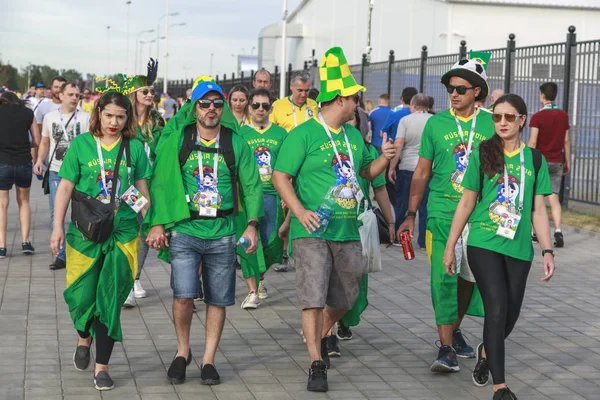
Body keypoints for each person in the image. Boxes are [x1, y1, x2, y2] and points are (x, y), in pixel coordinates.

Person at [272, 47, 396, 392]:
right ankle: (315, 361)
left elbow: (364, 173)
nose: (358, 103)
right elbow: (280, 176)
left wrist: (384, 160)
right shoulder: (304, 134)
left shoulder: (354, 136)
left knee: (346, 298)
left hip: (348, 228)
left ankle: (321, 332)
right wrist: (299, 212)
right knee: (312, 295)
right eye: (354, 98)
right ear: (339, 99)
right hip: (311, 230)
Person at [146, 79, 263, 386]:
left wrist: (252, 224)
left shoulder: (235, 142)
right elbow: (161, 181)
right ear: (193, 108)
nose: (212, 109)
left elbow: (251, 186)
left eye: (217, 104)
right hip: (186, 230)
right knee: (184, 296)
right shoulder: (180, 139)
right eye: (205, 104)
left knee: (218, 298)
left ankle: (209, 359)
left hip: (223, 231)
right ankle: (183, 352)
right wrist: (158, 222)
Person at [442, 94, 555, 400]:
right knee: (496, 307)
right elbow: (467, 202)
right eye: (496, 117)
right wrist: (451, 245)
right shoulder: (483, 153)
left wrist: (547, 250)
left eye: (508, 117)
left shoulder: (534, 159)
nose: (502, 122)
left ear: (522, 120)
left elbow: (538, 210)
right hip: (484, 240)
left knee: (510, 314)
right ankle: (499, 387)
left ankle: (485, 351)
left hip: (518, 247)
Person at [50, 82, 152, 391]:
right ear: (99, 113)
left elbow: (139, 191)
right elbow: (66, 187)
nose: (114, 123)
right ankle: (84, 337)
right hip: (85, 234)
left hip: (122, 234)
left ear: (127, 118)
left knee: (110, 299)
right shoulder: (81, 144)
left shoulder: (134, 147)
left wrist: (152, 225)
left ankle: (102, 366)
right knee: (81, 297)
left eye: (121, 117)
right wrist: (56, 226)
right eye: (109, 115)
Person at [398, 55, 495, 373]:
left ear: (477, 91)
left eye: (461, 88)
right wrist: (411, 213)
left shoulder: (492, 124)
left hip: (479, 217)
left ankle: (453, 329)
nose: (453, 94)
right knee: (443, 277)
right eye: (450, 88)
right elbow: (422, 173)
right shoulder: (435, 125)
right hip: (441, 213)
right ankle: (445, 348)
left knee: (468, 278)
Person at [328, 98, 395, 351]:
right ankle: (328, 334)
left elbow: (379, 189)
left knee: (354, 279)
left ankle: (342, 320)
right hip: (330, 223)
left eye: (354, 118)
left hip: (360, 225)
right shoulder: (325, 145)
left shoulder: (366, 151)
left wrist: (390, 221)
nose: (350, 121)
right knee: (329, 278)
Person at [239, 88, 287, 309]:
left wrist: (288, 195)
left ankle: (261, 277)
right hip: (247, 197)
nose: (260, 109)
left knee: (269, 243)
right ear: (249, 107)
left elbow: (288, 167)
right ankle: (252, 290)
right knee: (248, 244)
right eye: (256, 105)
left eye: (265, 106)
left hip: (272, 196)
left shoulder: (280, 134)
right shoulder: (241, 134)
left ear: (271, 108)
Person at [34, 83, 91, 270]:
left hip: (81, 173)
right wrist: (39, 161)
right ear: (61, 95)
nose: (75, 98)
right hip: (57, 171)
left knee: (82, 212)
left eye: (77, 95)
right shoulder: (50, 117)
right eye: (71, 94)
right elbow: (44, 142)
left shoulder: (85, 118)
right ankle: (61, 255)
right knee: (56, 213)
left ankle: (82, 251)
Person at [123, 60, 164, 307]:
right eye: (145, 91)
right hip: (128, 186)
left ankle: (135, 277)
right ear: (134, 95)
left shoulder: (158, 119)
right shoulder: (125, 120)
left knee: (145, 229)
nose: (150, 94)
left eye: (152, 91)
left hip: (152, 183)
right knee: (132, 230)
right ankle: (127, 282)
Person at [528, 82, 570, 248]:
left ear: (542, 95)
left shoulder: (537, 117)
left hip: (541, 161)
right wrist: (568, 161)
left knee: (537, 198)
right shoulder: (563, 116)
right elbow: (566, 140)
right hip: (557, 161)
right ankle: (558, 230)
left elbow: (532, 141)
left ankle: (535, 232)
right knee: (554, 198)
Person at [0, 92, 40, 258]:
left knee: (2, 204)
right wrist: (24, 145)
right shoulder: (28, 113)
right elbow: (36, 141)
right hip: (23, 161)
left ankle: (1, 246)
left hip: (3, 162)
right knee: (24, 202)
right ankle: (26, 242)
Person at [388, 93, 431, 248]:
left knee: (403, 203)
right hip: (427, 169)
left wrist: (392, 167)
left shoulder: (405, 120)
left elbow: (398, 145)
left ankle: (401, 237)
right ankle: (424, 241)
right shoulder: (433, 120)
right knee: (426, 206)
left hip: (407, 167)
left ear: (413, 106)